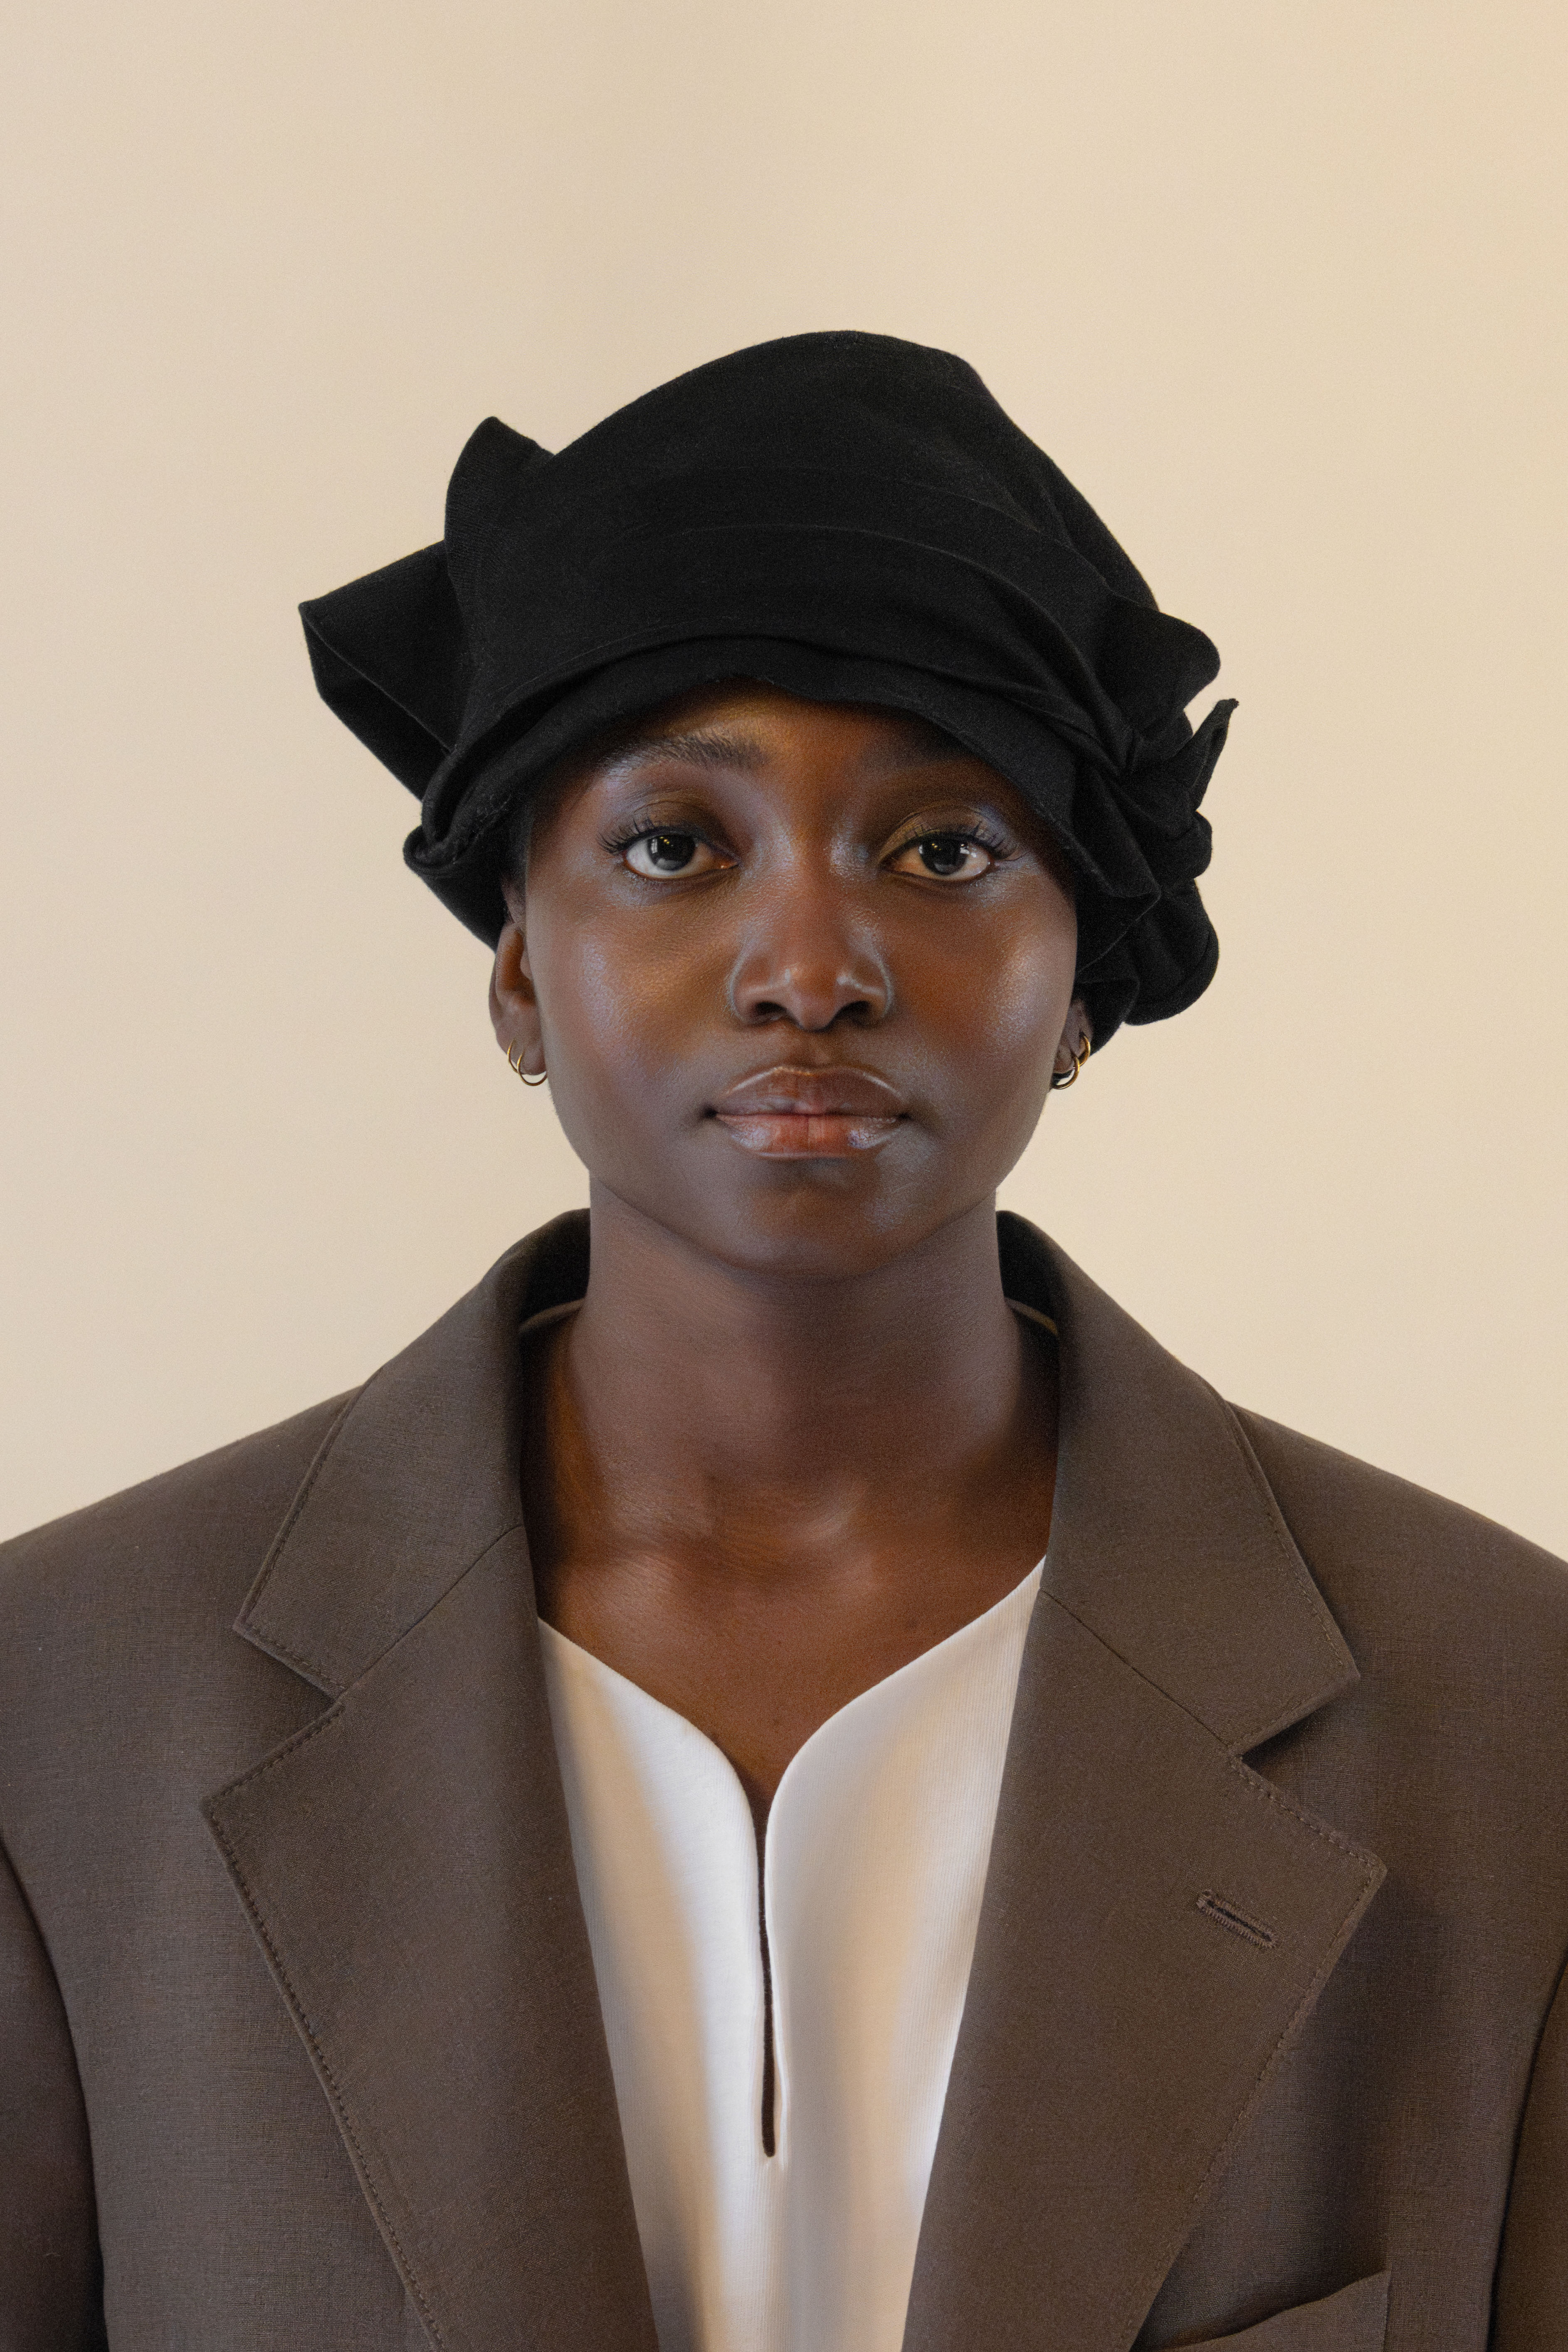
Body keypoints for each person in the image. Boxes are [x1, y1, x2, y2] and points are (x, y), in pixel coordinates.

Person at [1, 334, 1563, 2352]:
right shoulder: (63, 1714)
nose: (811, 967)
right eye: (676, 843)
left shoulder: (1500, 1724)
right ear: (517, 965)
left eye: (942, 850)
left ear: (1084, 974)